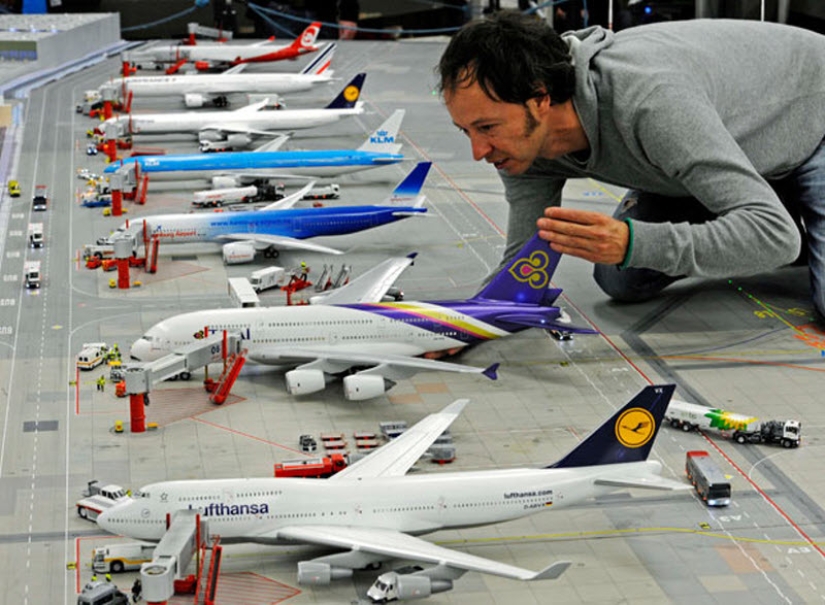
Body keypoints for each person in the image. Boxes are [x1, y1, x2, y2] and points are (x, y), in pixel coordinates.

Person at [437, 11, 825, 322]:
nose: (478, 150)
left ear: (539, 99)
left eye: (486, 128)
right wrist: (464, 324)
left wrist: (630, 242)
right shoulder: (522, 145)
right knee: (621, 277)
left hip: (814, 119)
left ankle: (772, 203)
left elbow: (777, 237)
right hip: (731, 141)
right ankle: (769, 202)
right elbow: (525, 261)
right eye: (466, 130)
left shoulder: (651, 105)